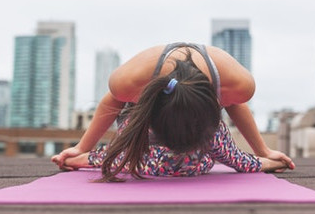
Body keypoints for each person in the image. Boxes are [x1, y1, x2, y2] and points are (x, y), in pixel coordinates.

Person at [51, 42, 295, 181]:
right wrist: (81, 148)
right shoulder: (129, 81)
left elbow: (235, 107)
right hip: (142, 122)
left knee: (187, 163)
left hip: (201, 127)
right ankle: (99, 157)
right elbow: (111, 103)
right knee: (167, 163)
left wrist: (264, 154)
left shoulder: (237, 83)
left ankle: (101, 158)